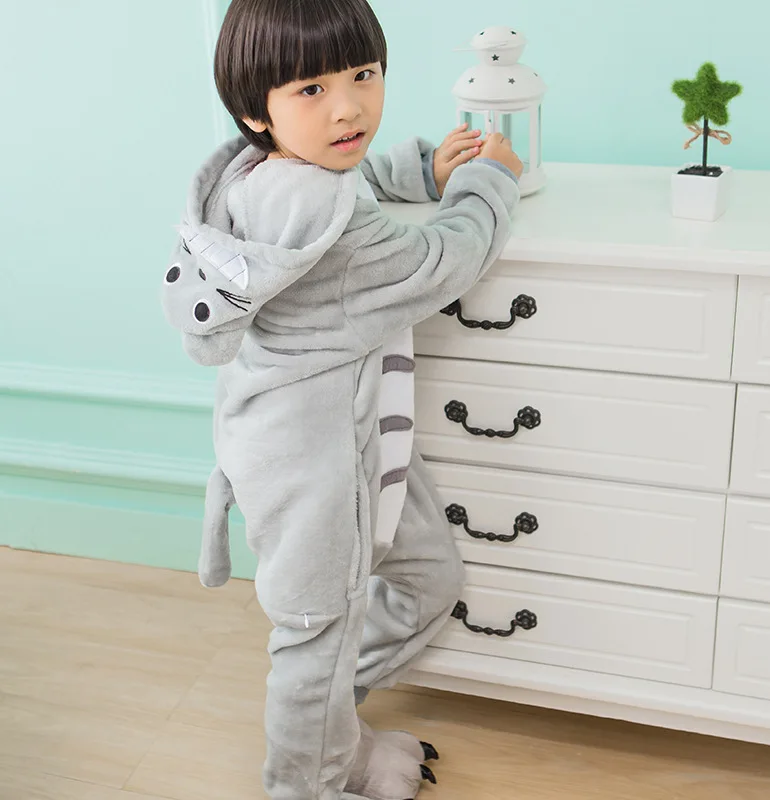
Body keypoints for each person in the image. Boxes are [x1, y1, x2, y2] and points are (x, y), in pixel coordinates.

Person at [161, 0, 523, 797]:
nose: (349, 107)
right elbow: (442, 260)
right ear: (256, 111)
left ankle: (335, 730)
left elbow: (343, 184)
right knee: (314, 632)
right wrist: (490, 181)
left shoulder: (255, 170)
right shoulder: (324, 214)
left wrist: (418, 173)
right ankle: (308, 780)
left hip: (348, 436)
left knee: (427, 576)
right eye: (312, 89)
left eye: (362, 75)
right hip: (313, 464)